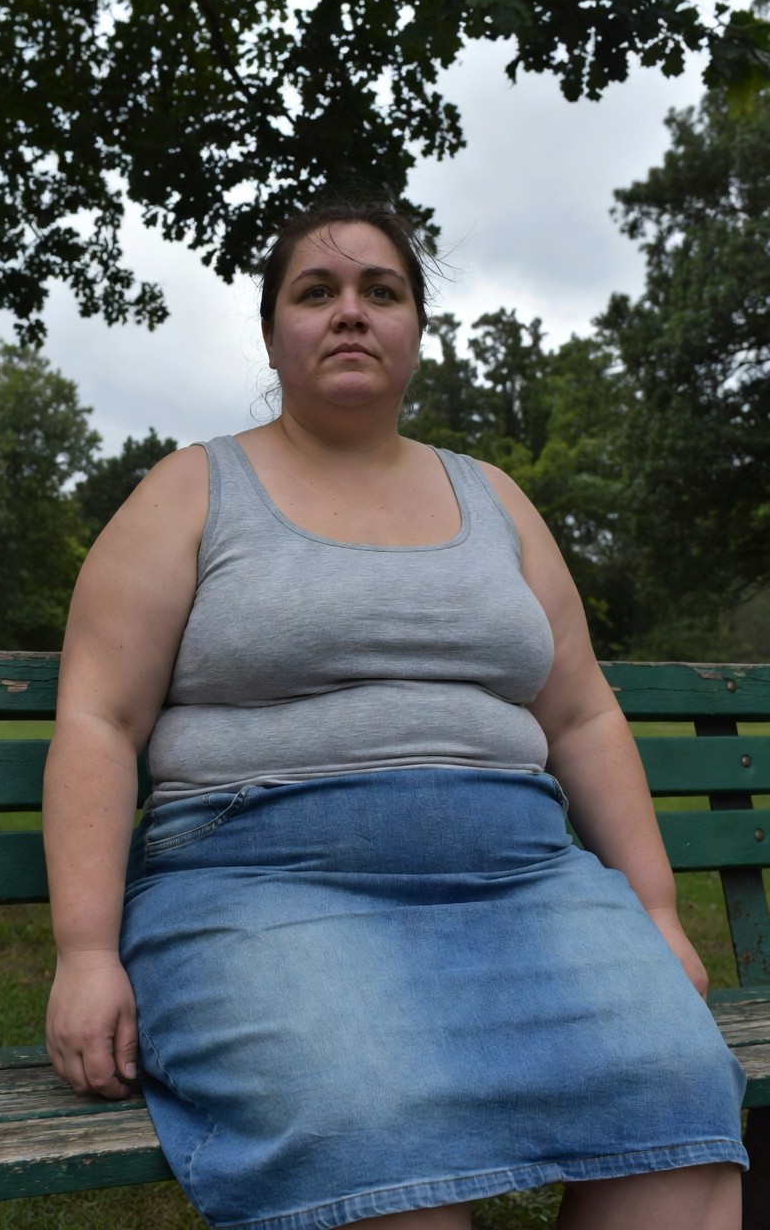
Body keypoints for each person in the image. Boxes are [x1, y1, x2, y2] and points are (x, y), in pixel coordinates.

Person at [43, 200, 747, 1230]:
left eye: (382, 292)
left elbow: (585, 714)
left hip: (520, 880)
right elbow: (98, 720)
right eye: (315, 292)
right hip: (262, 887)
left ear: (417, 328)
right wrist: (86, 955)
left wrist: (655, 914)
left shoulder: (497, 499)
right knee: (361, 1125)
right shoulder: (192, 491)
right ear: (273, 330)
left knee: (677, 1087)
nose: (350, 313)